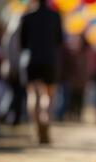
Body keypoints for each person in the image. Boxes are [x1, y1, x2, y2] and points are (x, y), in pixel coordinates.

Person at [20, 0, 63, 143]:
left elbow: (23, 43)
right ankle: (46, 123)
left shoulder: (26, 16)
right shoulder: (55, 16)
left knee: (33, 94)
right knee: (49, 96)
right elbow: (59, 40)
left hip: (31, 59)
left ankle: (36, 128)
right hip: (50, 60)